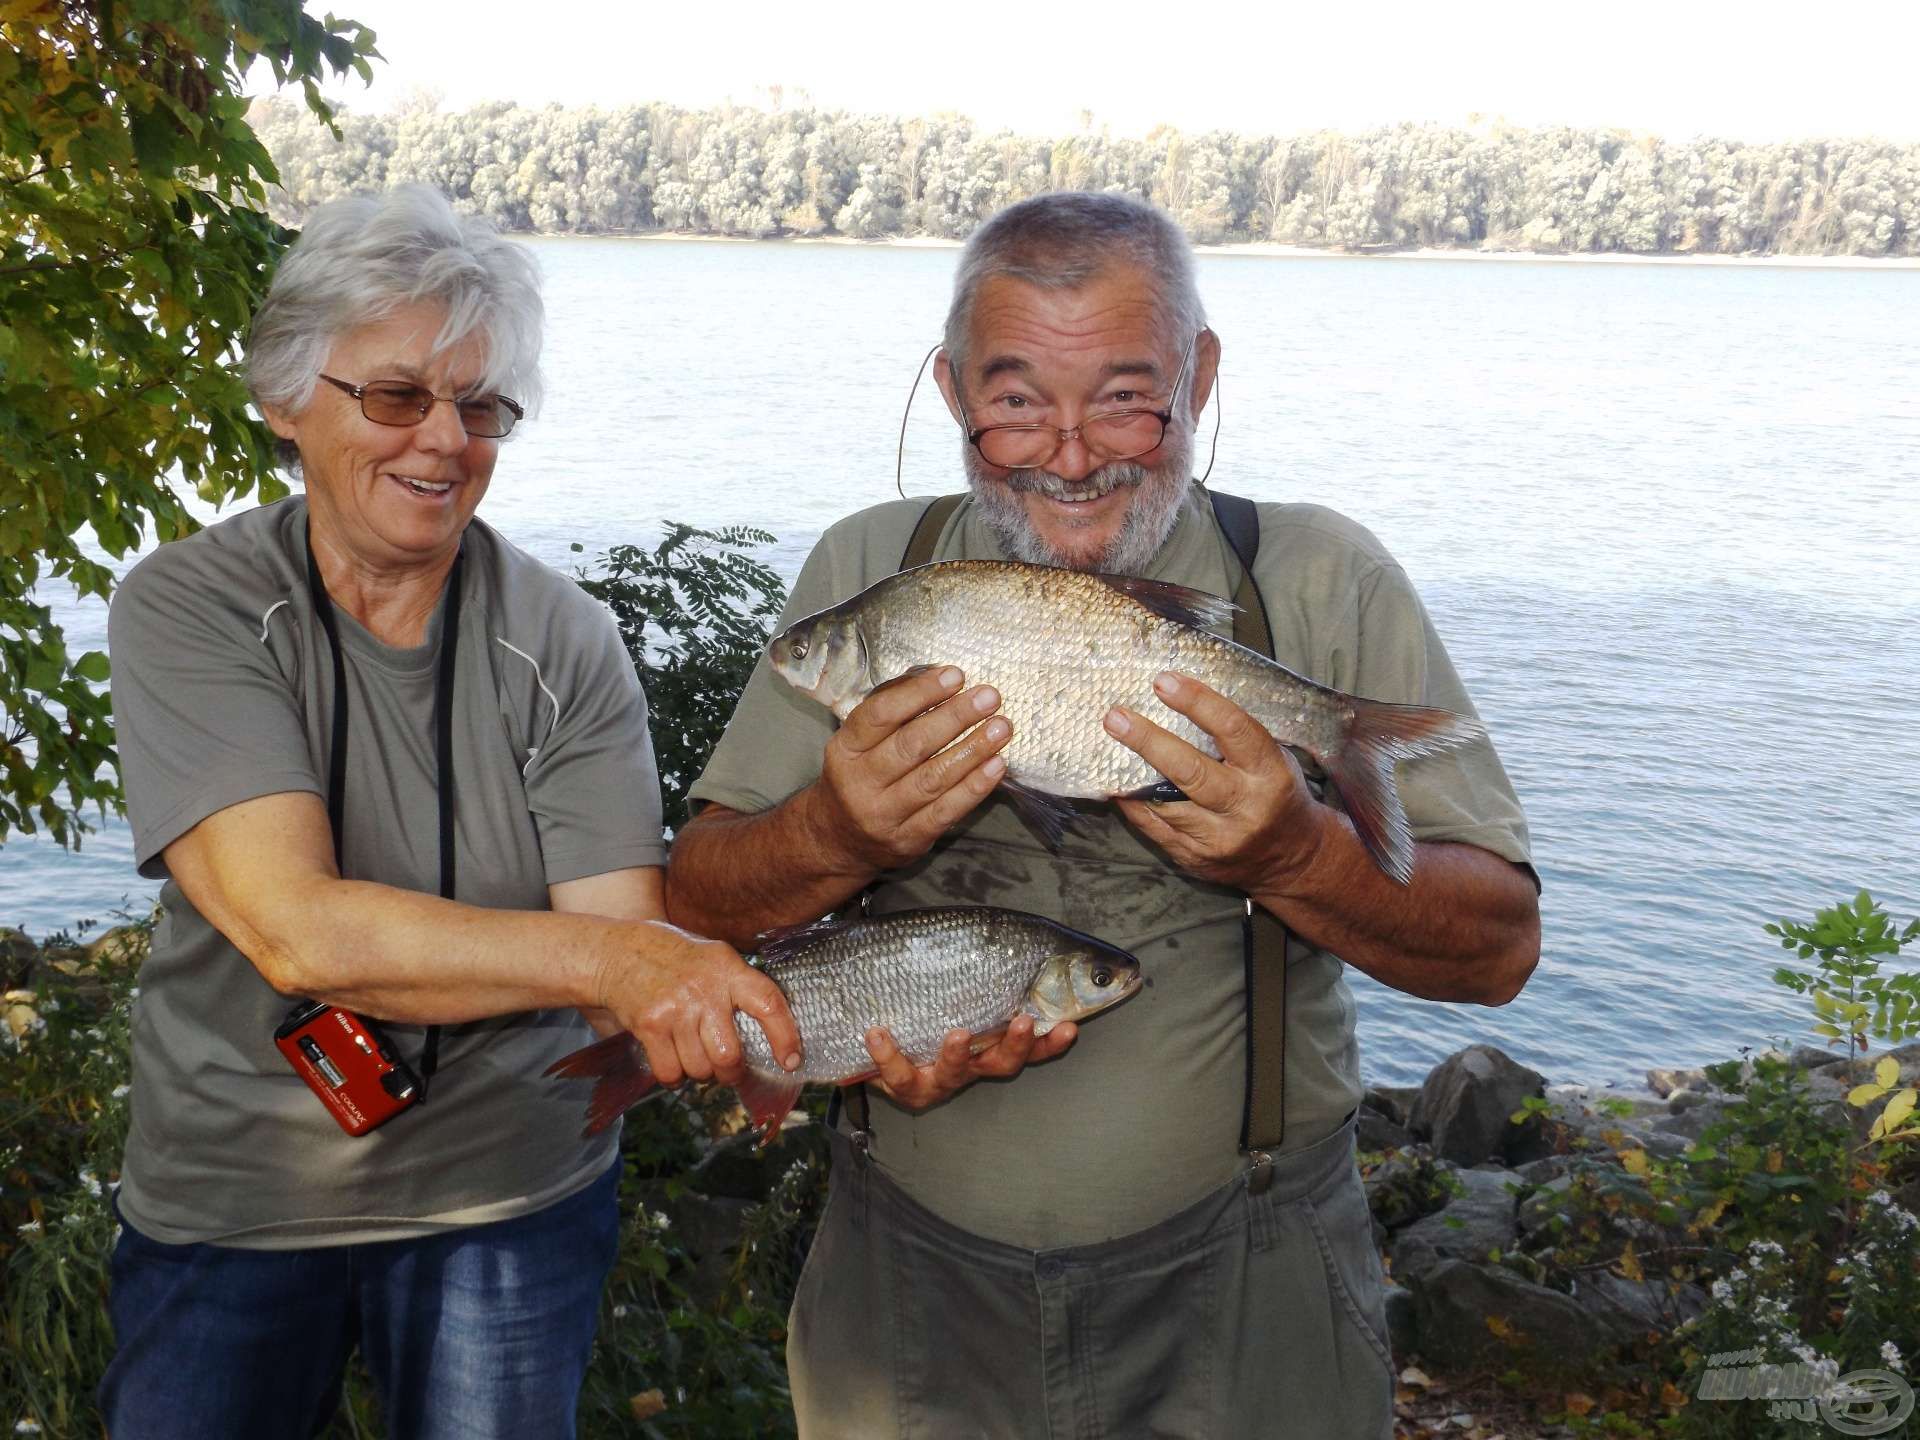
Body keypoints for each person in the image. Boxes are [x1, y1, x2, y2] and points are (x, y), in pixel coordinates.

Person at [666, 191, 1542, 1438]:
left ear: (1202, 372)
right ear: (953, 387)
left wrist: (1304, 856)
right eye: (1016, 402)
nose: (1071, 455)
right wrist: (838, 834)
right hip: (909, 1287)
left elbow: (1499, 950)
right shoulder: (871, 574)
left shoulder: (1319, 579)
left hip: (1247, 1298)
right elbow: (695, 903)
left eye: (1127, 397)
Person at [98, 185, 800, 1440]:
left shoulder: (564, 642)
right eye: (395, 394)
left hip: (505, 1204)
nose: (441, 441)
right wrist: (630, 965)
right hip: (235, 1202)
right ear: (283, 401)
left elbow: (616, 973)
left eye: (480, 406)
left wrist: (736, 1007)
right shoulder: (188, 608)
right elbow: (295, 933)